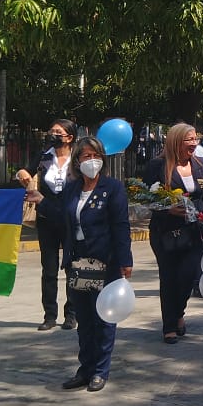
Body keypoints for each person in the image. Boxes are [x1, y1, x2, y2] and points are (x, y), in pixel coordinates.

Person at [57, 136, 132, 392]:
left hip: (104, 261)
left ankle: (100, 370)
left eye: (95, 156)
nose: (91, 161)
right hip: (78, 262)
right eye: (86, 156)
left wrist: (125, 260)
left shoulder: (112, 188)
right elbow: (60, 216)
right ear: (77, 161)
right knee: (85, 320)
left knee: (103, 318)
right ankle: (85, 369)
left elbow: (120, 225)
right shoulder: (71, 189)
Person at [143, 123, 203, 344]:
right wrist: (167, 209)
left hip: (195, 231)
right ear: (175, 142)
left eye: (195, 138)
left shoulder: (202, 165)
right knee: (169, 277)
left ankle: (179, 312)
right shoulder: (157, 166)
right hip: (166, 231)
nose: (194, 143)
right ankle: (169, 326)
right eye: (188, 139)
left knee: (188, 276)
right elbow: (146, 199)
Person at [16, 119, 79, 331]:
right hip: (46, 217)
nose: (53, 135)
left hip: (71, 218)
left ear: (69, 137)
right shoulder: (44, 156)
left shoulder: (77, 158)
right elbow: (25, 171)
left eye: (58, 132)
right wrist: (22, 174)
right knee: (49, 269)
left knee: (72, 267)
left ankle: (71, 314)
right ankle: (49, 315)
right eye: (51, 131)